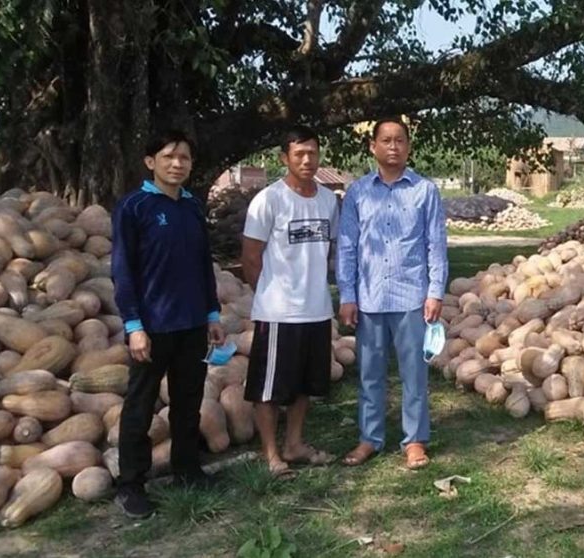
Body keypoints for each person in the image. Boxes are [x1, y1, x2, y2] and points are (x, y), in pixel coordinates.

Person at [111, 129, 226, 519]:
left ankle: (187, 469)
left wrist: (212, 314)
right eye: (169, 157)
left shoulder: (192, 207)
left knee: (188, 402)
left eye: (185, 158)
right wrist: (133, 325)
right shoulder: (134, 207)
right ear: (150, 162)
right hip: (152, 326)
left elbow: (202, 266)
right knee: (140, 407)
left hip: (192, 324)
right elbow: (123, 272)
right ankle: (130, 485)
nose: (178, 164)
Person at [337, 117, 448, 470]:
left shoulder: (424, 191)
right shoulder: (357, 192)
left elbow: (436, 245)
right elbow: (347, 247)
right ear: (373, 146)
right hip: (369, 298)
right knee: (370, 373)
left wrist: (435, 292)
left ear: (408, 147)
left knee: (413, 373)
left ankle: (414, 440)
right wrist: (347, 295)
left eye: (400, 140)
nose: (393, 147)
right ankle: (370, 438)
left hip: (411, 297)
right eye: (386, 140)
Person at [241, 125, 338, 478]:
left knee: (304, 385)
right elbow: (251, 258)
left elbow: (331, 250)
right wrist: (268, 295)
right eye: (299, 153)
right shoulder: (269, 200)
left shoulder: (329, 201)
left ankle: (294, 444)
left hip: (316, 310)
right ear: (285, 158)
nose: (307, 159)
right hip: (278, 313)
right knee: (268, 388)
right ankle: (271, 455)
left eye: (312, 152)